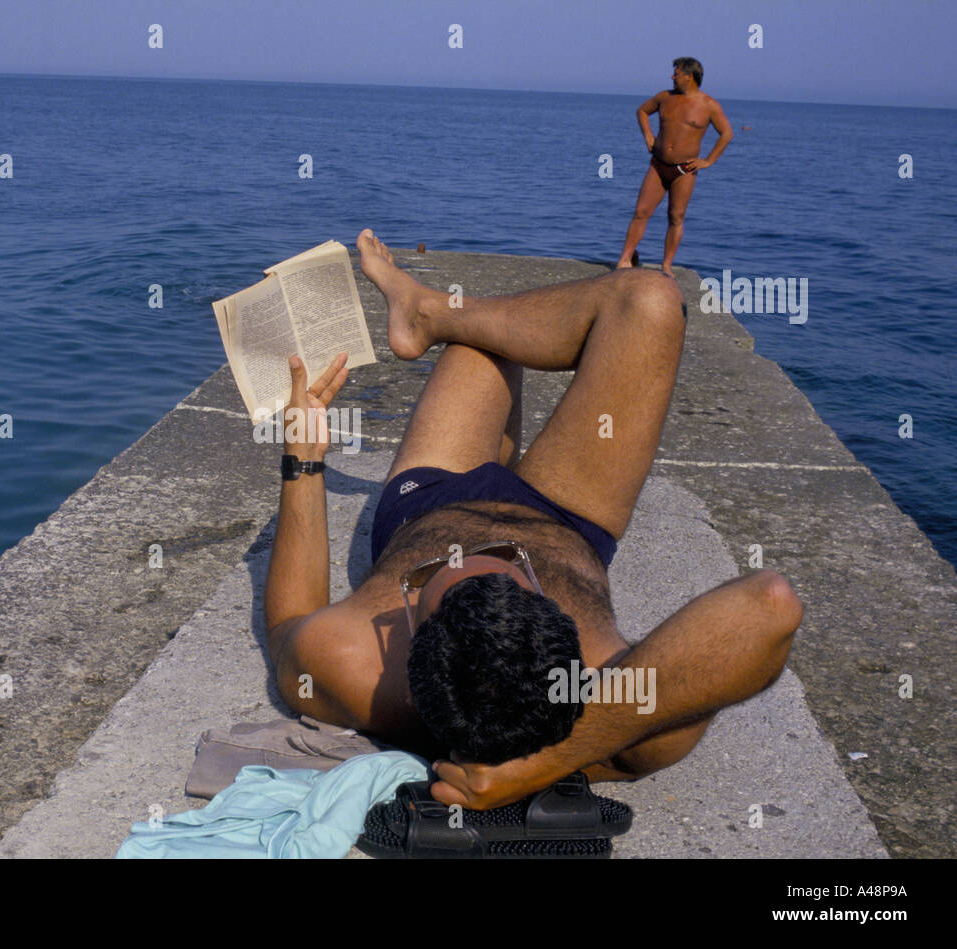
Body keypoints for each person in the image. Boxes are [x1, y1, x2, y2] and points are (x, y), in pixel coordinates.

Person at [263, 229, 802, 810]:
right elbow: (769, 605)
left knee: (483, 347)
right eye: (510, 565)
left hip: (432, 499)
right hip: (569, 513)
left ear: (413, 639)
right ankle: (426, 310)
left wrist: (304, 453)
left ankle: (424, 311)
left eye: (430, 580)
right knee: (649, 299)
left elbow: (288, 618)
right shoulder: (617, 707)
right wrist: (555, 760)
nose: (485, 547)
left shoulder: (350, 667)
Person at [615, 57, 733, 273]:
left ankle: (666, 265)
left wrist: (708, 161)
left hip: (684, 170)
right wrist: (648, 136)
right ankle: (624, 260)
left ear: (689, 77)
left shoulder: (709, 105)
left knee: (676, 216)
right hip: (658, 165)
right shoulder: (665, 97)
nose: (672, 77)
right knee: (641, 211)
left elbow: (726, 133)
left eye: (676, 73)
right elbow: (642, 111)